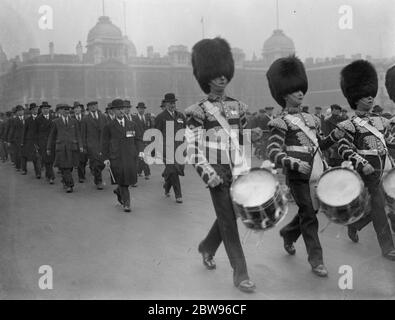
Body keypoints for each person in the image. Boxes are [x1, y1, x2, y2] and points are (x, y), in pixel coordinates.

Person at [185, 37, 256, 293]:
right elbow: (192, 149)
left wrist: (246, 169)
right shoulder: (197, 111)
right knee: (229, 221)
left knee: (230, 215)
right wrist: (208, 173)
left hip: (237, 169)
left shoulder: (239, 107)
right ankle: (241, 274)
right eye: (216, 75)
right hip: (216, 171)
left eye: (224, 74)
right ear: (207, 78)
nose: (222, 79)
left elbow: (243, 142)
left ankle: (207, 246)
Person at [266, 55, 343, 277]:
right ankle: (316, 260)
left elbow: (320, 144)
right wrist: (293, 163)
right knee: (309, 213)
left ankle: (289, 235)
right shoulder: (279, 122)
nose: (300, 93)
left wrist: (334, 136)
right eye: (294, 91)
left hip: (317, 170)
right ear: (283, 94)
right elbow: (273, 151)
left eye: (301, 89)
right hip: (297, 175)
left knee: (312, 210)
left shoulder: (312, 120)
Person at [337, 60, 395, 260]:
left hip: (386, 167)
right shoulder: (349, 124)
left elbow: (390, 141)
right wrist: (362, 163)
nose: (370, 98)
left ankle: (355, 225)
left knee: (387, 205)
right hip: (368, 170)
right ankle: (387, 247)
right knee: (379, 205)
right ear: (355, 98)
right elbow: (344, 148)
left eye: (371, 94)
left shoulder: (382, 121)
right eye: (365, 95)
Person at [102, 99, 144, 212]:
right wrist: (105, 158)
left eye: (122, 109)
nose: (121, 111)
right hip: (116, 158)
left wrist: (141, 151)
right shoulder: (109, 126)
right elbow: (104, 143)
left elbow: (139, 139)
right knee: (122, 180)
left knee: (129, 180)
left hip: (130, 157)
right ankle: (127, 203)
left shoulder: (132, 124)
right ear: (113, 111)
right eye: (117, 109)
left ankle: (118, 191)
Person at [155, 93, 186, 203]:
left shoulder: (181, 116)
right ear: (166, 104)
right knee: (173, 170)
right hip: (166, 150)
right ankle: (178, 195)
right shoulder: (160, 117)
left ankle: (167, 186)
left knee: (176, 170)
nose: (172, 105)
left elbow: (184, 131)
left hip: (179, 148)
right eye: (170, 103)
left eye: (174, 103)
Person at [47, 104, 83, 193]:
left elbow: (78, 134)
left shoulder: (74, 121)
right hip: (61, 148)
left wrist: (81, 146)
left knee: (69, 167)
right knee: (65, 167)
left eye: (68, 110)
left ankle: (65, 180)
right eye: (64, 110)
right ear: (60, 111)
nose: (66, 112)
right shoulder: (55, 122)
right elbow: (51, 136)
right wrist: (48, 148)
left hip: (72, 147)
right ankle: (69, 185)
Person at [81, 101, 106, 190]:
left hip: (102, 144)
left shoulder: (103, 117)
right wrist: (84, 146)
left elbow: (106, 131)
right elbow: (83, 133)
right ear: (88, 108)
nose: (93, 107)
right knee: (96, 163)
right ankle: (98, 181)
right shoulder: (85, 119)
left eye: (95, 105)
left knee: (102, 163)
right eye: (91, 106)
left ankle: (95, 171)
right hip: (91, 145)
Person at [132, 102, 154, 179]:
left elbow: (151, 129)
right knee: (143, 156)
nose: (142, 110)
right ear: (137, 109)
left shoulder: (148, 118)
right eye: (140, 108)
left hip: (147, 141)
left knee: (143, 157)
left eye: (143, 108)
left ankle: (139, 171)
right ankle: (147, 173)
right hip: (139, 141)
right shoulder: (134, 118)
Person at [36, 102, 56, 184]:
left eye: (47, 108)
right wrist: (37, 144)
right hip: (43, 143)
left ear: (49, 109)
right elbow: (35, 132)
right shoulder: (38, 119)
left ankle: (48, 174)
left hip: (53, 142)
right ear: (41, 109)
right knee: (47, 159)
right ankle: (51, 176)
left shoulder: (54, 117)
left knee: (51, 159)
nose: (45, 110)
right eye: (44, 108)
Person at [21, 103, 41, 177]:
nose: (35, 111)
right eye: (33, 109)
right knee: (34, 157)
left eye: (36, 109)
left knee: (37, 157)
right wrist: (22, 142)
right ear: (31, 111)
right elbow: (24, 131)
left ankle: (38, 173)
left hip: (39, 140)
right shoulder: (27, 120)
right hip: (30, 141)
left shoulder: (41, 118)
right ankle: (37, 172)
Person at [71, 102, 88, 183]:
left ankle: (82, 172)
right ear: (73, 110)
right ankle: (81, 176)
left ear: (81, 109)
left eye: (78, 108)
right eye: (75, 108)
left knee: (84, 159)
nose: (77, 110)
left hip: (85, 141)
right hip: (75, 142)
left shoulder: (85, 118)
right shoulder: (71, 118)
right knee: (79, 159)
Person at [8, 105, 25, 172]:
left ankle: (23, 166)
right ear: (16, 112)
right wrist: (9, 140)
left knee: (23, 153)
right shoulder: (14, 120)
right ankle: (18, 166)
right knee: (17, 153)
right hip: (17, 139)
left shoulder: (26, 119)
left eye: (22, 110)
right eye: (19, 111)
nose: (21, 112)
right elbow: (11, 130)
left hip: (25, 139)